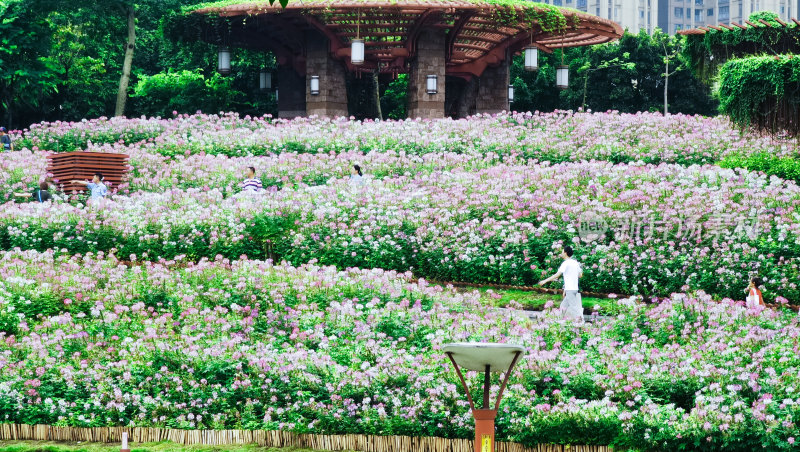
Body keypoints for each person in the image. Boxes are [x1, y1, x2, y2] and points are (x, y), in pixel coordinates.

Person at [537, 245, 584, 321]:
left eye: (562, 251)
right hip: (573, 289)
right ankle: (557, 322)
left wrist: (544, 281)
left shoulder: (566, 263)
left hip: (570, 290)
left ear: (565, 253)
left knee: (574, 308)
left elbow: (557, 275)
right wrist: (565, 288)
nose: (561, 253)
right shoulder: (575, 263)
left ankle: (582, 323)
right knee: (563, 307)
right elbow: (580, 275)